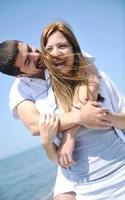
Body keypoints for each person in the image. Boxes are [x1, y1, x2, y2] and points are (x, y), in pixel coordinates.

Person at [0, 39, 112, 199]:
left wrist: (68, 136)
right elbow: (36, 126)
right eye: (28, 61)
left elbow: (91, 82)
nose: (35, 55)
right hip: (69, 160)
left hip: (98, 139)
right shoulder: (19, 91)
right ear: (19, 75)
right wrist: (80, 116)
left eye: (29, 48)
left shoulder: (59, 53)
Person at [39, 20, 125, 199]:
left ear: (74, 49)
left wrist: (106, 117)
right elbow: (59, 161)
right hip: (87, 190)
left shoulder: (99, 80)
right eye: (49, 49)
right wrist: (46, 143)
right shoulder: (45, 102)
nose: (56, 53)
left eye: (62, 46)